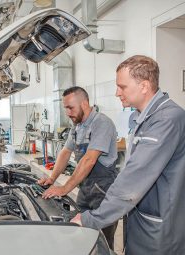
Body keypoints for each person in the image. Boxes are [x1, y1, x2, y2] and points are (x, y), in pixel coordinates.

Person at [71, 55, 185, 254]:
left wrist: (91, 219)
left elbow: (134, 178)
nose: (117, 93)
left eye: (122, 87)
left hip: (160, 227)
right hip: (141, 217)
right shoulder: (143, 117)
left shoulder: (167, 119)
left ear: (144, 86)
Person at [38, 86, 118, 249]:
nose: (67, 112)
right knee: (79, 231)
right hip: (85, 188)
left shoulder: (101, 123)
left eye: (70, 107)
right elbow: (65, 152)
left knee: (102, 240)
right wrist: (52, 179)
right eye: (65, 108)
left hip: (104, 191)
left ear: (84, 103)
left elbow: (89, 160)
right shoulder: (77, 127)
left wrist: (65, 188)